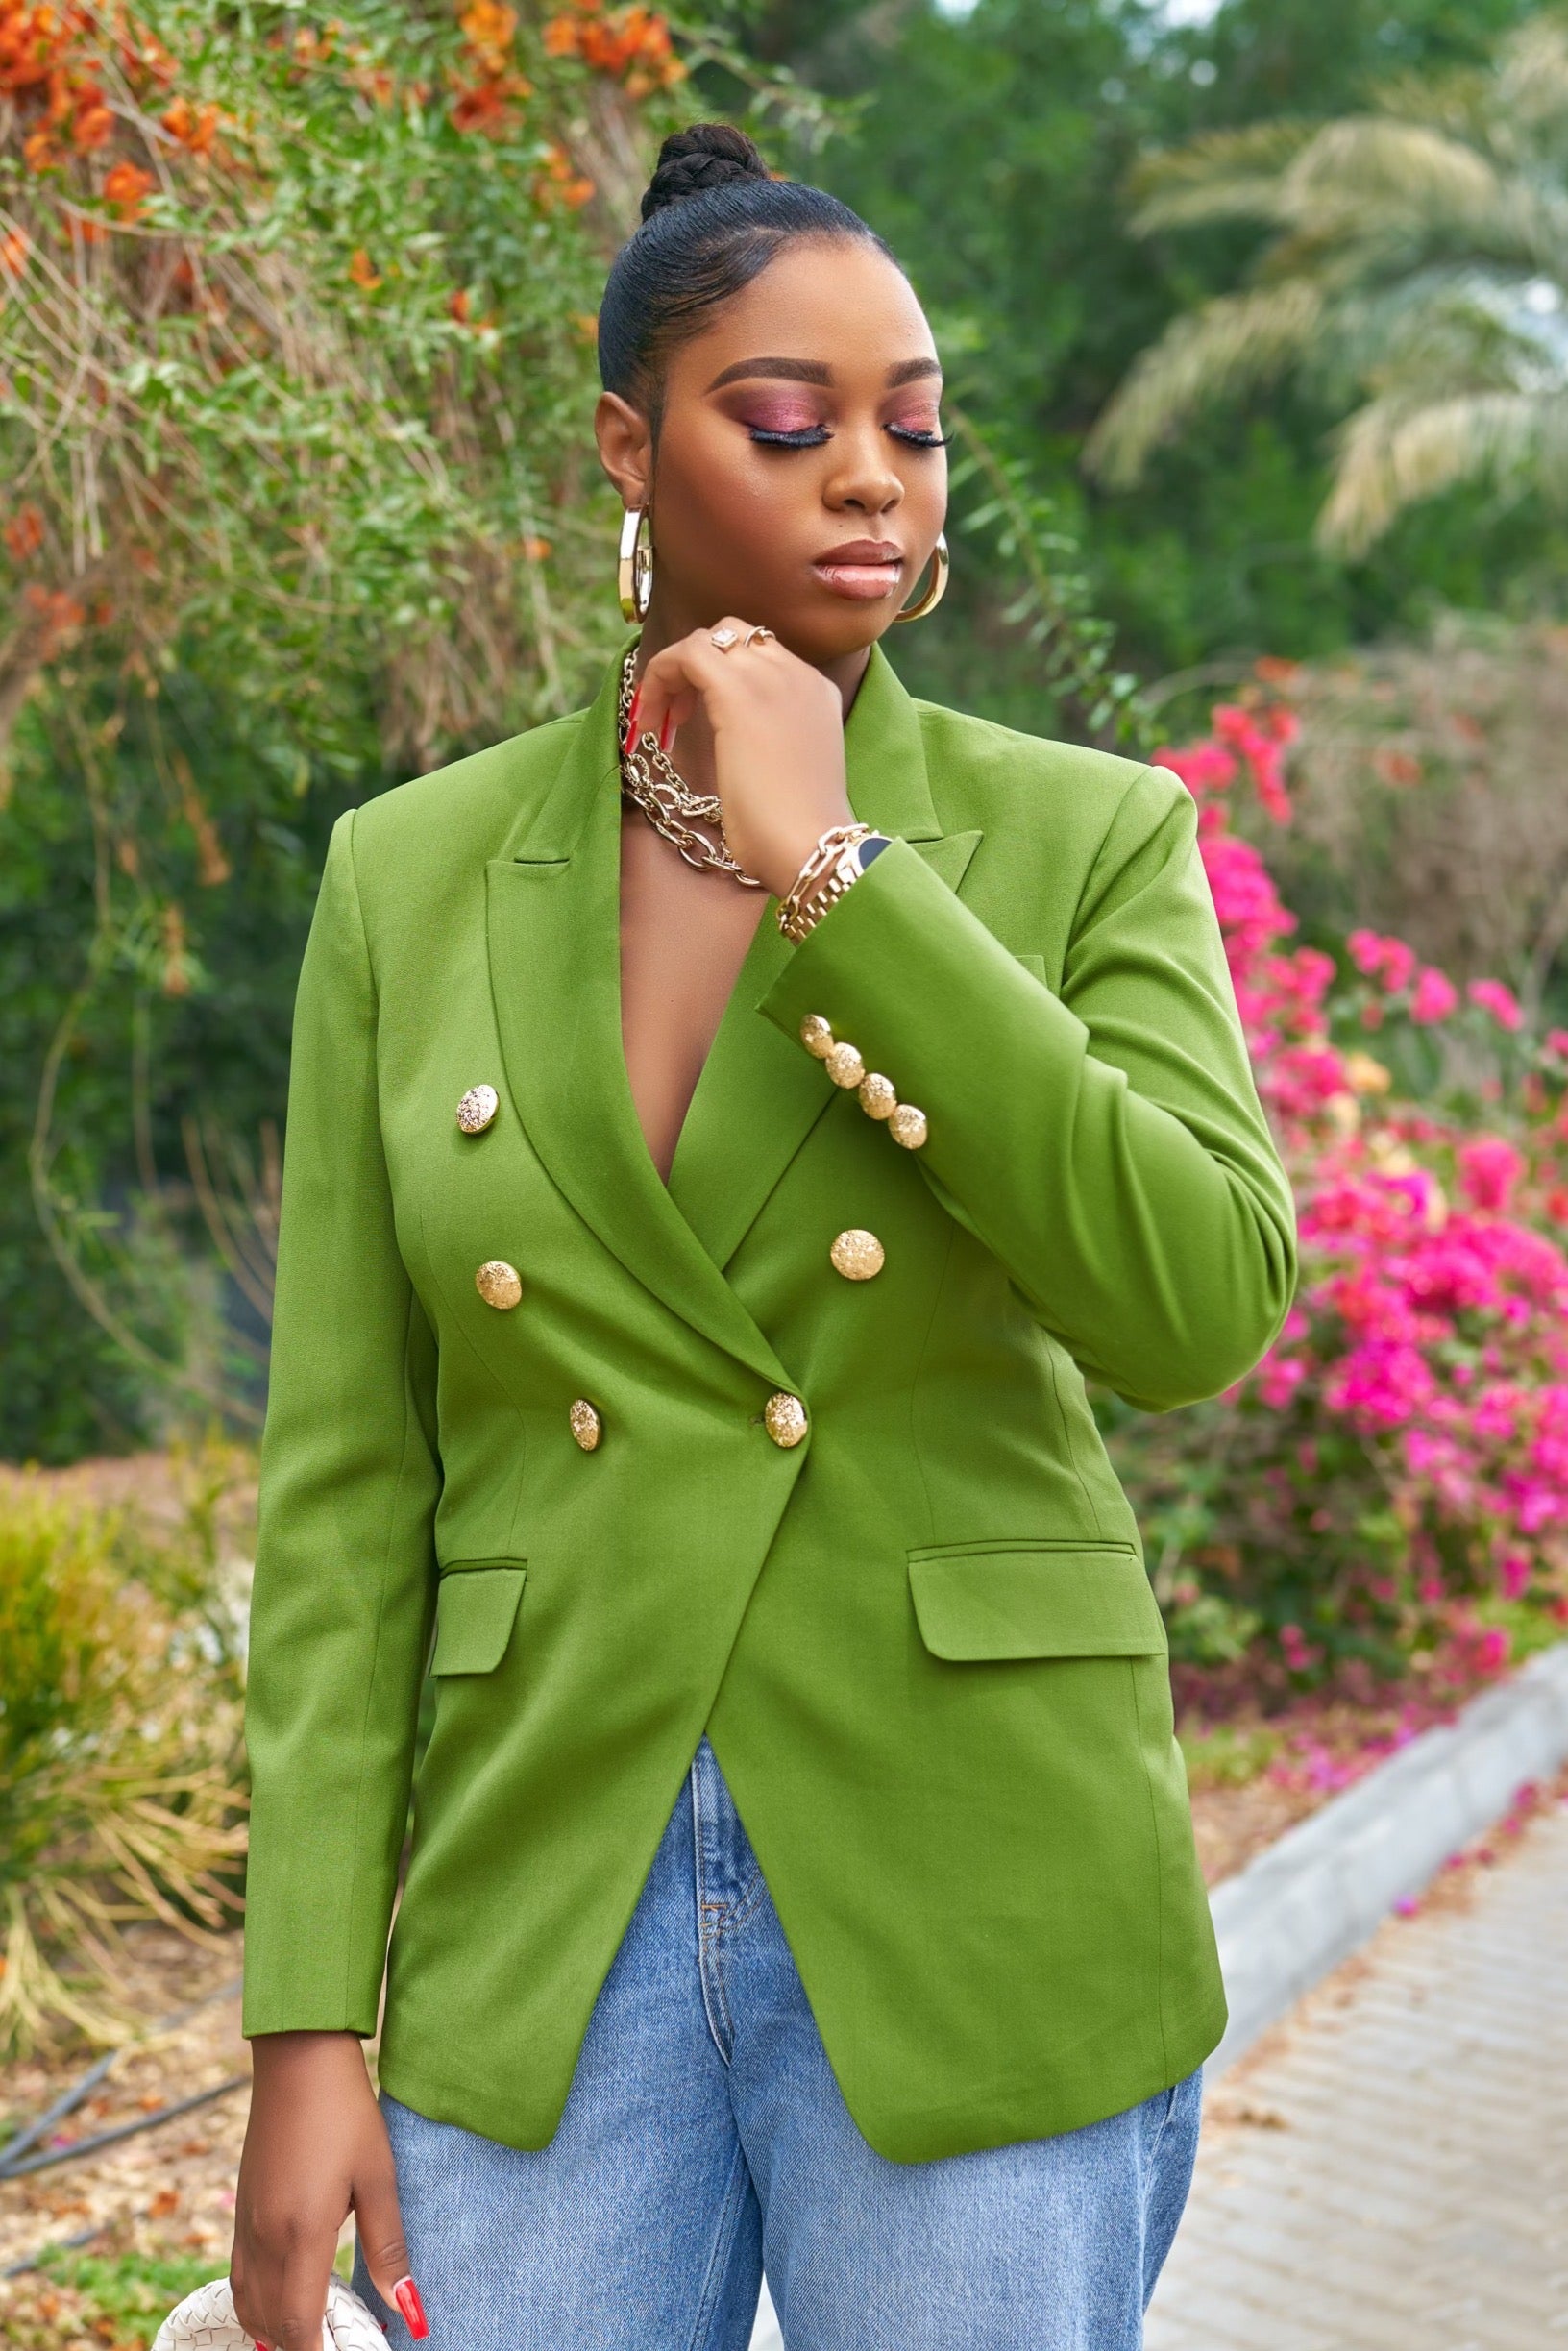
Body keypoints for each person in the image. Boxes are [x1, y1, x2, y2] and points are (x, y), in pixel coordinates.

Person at [231, 120, 1297, 2351]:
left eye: (913, 427)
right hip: (548, 1916)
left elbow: (1195, 1302)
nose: (871, 480)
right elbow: (345, 1493)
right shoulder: (405, 880)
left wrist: (841, 878)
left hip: (976, 1881)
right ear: (629, 448)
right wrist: (307, 2022)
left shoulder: (1084, 833)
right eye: (790, 423)